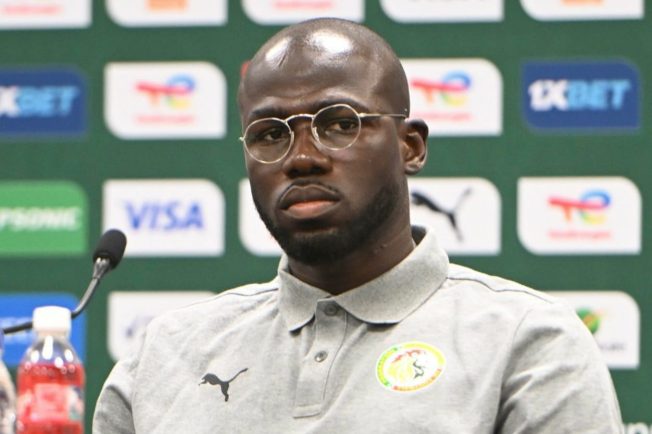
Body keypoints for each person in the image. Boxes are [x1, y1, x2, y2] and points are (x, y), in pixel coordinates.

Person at [93, 18, 623, 433]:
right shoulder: (164, 354)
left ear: (410, 146)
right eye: (270, 134)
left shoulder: (528, 342)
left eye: (339, 124)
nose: (302, 158)